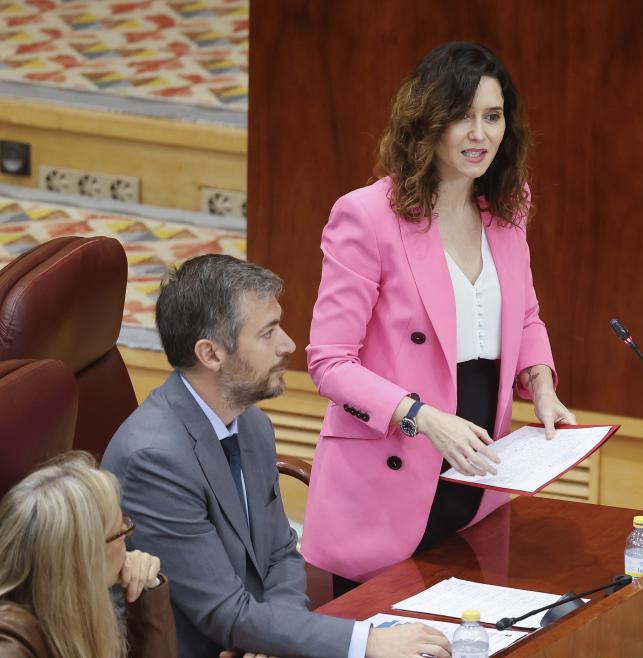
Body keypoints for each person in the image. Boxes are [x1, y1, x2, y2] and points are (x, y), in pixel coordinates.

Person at [302, 41, 575, 593]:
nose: (480, 134)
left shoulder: (507, 205)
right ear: (427, 122)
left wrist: (541, 384)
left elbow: (525, 315)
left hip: (478, 467)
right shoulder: (366, 216)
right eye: (461, 116)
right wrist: (422, 417)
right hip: (394, 464)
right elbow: (328, 363)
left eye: (493, 117)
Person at [101, 255, 450, 658]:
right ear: (211, 354)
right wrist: (365, 643)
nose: (289, 344)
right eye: (268, 334)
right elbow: (221, 613)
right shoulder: (155, 461)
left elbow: (281, 552)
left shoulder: (251, 424)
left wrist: (276, 637)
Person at [0, 452, 176, 658]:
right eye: (122, 531)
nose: (128, 543)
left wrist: (147, 590)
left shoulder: (63, 614)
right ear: (86, 554)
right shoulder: (10, 647)